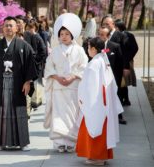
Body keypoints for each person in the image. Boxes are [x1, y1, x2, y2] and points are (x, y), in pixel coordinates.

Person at [0, 16, 37, 151]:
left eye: (11, 25)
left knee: (19, 111)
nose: (8, 28)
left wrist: (28, 82)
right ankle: (0, 142)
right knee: (0, 111)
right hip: (0, 84)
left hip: (18, 83)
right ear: (2, 28)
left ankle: (23, 142)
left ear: (17, 28)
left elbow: (31, 65)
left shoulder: (24, 45)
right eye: (6, 25)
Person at [44, 13, 88, 153]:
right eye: (61, 34)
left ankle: (71, 142)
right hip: (58, 87)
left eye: (67, 34)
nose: (64, 36)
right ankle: (59, 143)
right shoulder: (55, 50)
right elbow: (49, 67)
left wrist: (73, 76)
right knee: (58, 114)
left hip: (73, 86)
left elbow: (84, 66)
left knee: (72, 114)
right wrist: (56, 77)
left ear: (72, 35)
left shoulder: (80, 50)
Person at [76, 37, 123, 166]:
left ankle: (98, 157)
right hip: (103, 100)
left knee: (94, 128)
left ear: (93, 49)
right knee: (102, 128)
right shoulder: (103, 59)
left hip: (95, 101)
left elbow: (90, 87)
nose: (87, 49)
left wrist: (85, 101)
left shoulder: (94, 63)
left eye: (89, 47)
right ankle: (102, 155)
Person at [101, 16, 128, 125]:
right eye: (104, 23)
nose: (106, 25)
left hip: (116, 70)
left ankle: (119, 115)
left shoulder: (120, 36)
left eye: (108, 23)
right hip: (104, 70)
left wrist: (126, 67)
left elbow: (124, 54)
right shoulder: (99, 38)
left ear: (113, 24)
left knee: (117, 92)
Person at [24, 22, 47, 116]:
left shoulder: (37, 37)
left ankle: (35, 103)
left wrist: (36, 60)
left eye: (32, 28)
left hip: (36, 65)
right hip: (29, 64)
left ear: (35, 28)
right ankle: (31, 103)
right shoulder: (27, 37)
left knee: (37, 84)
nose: (30, 30)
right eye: (28, 28)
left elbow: (43, 50)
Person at [114, 19, 139, 106]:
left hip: (127, 61)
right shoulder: (115, 35)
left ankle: (124, 100)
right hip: (118, 61)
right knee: (122, 81)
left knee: (124, 81)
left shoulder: (129, 35)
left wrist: (128, 58)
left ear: (118, 27)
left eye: (115, 26)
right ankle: (126, 100)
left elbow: (135, 48)